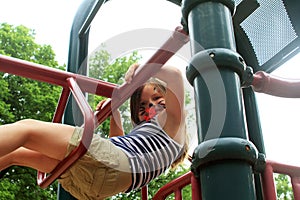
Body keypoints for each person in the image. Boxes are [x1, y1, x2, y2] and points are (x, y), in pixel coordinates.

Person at [0, 63, 188, 199]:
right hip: (97, 186)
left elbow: (175, 75)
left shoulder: (173, 121)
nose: (151, 106)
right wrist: (114, 110)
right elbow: (117, 145)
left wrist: (142, 69)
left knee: (27, 129)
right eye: (142, 107)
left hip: (110, 167)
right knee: (16, 154)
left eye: (157, 97)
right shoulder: (145, 145)